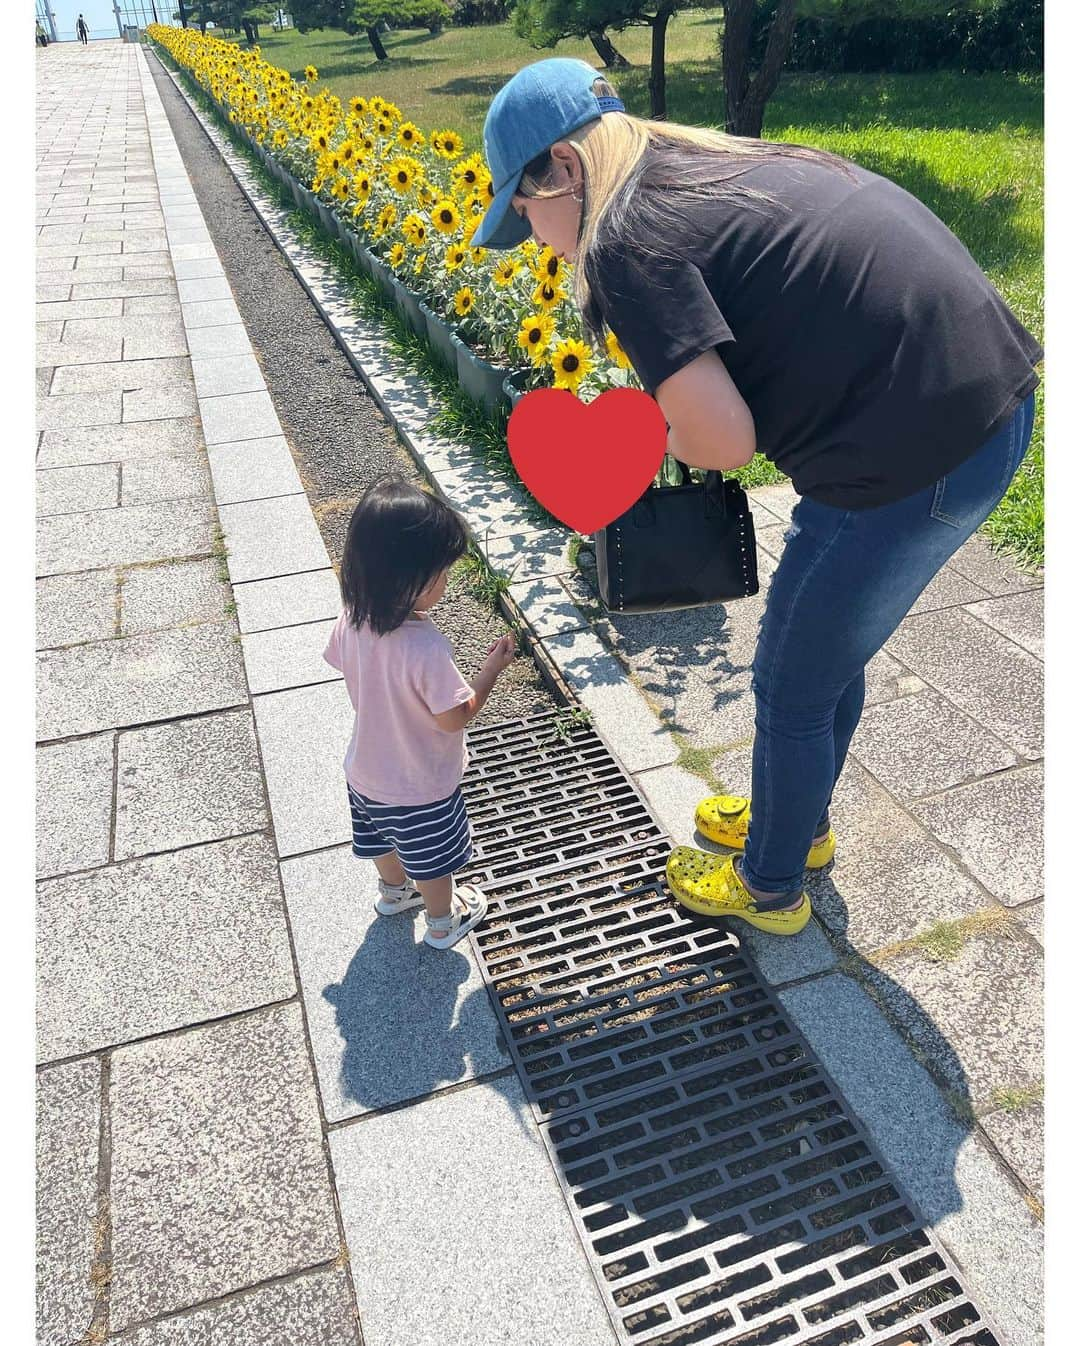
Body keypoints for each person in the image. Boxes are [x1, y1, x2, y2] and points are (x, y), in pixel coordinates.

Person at [473, 58, 1042, 937]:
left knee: (789, 680)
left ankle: (771, 886)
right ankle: (796, 824)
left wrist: (643, 433)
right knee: (825, 652)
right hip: (973, 401)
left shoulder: (627, 236)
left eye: (524, 204)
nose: (532, 229)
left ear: (565, 168)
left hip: (914, 447)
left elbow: (722, 441)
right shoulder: (703, 166)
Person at [323, 474, 517, 949]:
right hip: (420, 785)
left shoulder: (352, 617)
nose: (446, 582)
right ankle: (442, 921)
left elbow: (343, 662)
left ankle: (393, 895)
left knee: (382, 841)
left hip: (365, 770)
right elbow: (454, 716)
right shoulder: (425, 647)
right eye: (442, 573)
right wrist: (489, 670)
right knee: (433, 860)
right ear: (410, 578)